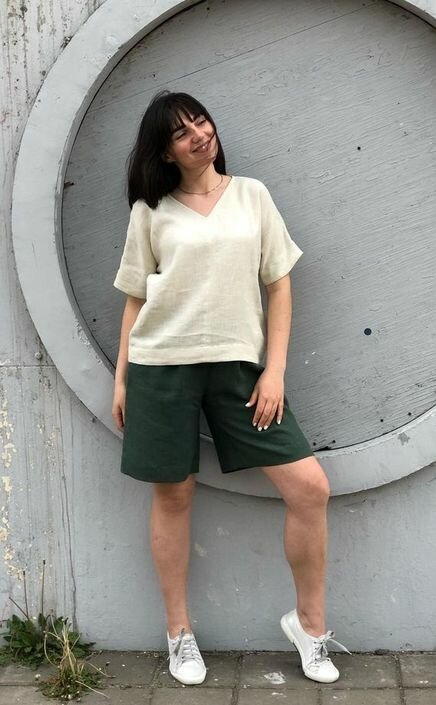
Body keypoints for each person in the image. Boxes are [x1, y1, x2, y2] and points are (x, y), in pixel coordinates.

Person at [111, 90, 350, 686]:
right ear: (164, 152)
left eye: (200, 121)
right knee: (174, 497)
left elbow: (280, 284)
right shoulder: (151, 210)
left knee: (309, 489)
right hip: (162, 366)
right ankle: (179, 634)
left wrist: (275, 370)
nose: (198, 134)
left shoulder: (252, 195)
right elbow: (136, 297)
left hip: (240, 368)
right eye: (180, 132)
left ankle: (310, 627)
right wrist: (122, 377)